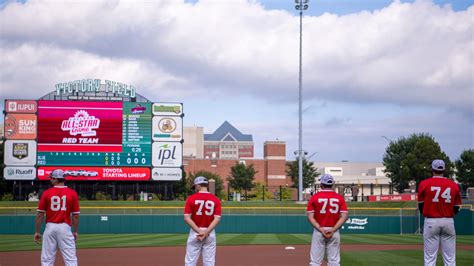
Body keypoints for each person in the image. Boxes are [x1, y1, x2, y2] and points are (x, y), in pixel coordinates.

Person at [418, 159, 462, 266]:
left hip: (431, 221)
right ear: (444, 170)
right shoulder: (453, 185)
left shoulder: (424, 184)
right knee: (450, 258)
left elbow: (421, 206)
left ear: (432, 169)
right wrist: (447, 215)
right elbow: (457, 207)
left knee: (430, 258)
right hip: (448, 220)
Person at [34, 169, 80, 266]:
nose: (50, 180)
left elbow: (40, 214)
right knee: (70, 259)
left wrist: (37, 231)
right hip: (65, 227)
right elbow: (75, 215)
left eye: (51, 178)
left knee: (47, 259)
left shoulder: (46, 193)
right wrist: (75, 231)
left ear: (55, 179)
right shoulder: (72, 193)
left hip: (50, 227)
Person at [306, 174, 348, 266]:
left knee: (315, 262)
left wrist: (321, 229)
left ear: (321, 185)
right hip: (334, 231)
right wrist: (333, 230)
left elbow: (310, 217)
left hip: (319, 231)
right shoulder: (339, 198)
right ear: (332, 185)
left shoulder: (314, 197)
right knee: (334, 261)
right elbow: (344, 216)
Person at [184, 176, 222, 266]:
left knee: (190, 262)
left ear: (198, 186)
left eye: (195, 187)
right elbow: (217, 218)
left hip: (195, 232)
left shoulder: (191, 199)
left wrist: (200, 231)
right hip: (210, 232)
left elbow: (186, 218)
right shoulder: (216, 199)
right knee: (209, 262)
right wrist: (206, 232)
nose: (195, 189)